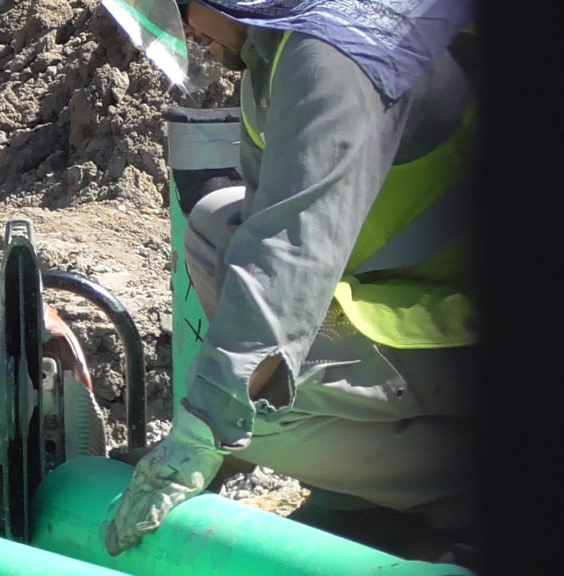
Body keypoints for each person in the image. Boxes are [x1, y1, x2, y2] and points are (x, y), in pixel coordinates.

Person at [101, 0, 480, 565]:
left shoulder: (332, 55)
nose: (191, 33)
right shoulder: (280, 49)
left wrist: (204, 433)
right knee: (213, 228)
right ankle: (357, 495)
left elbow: (289, 253)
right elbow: (264, 225)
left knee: (258, 424)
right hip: (421, 285)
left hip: (462, 330)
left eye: (184, 10)